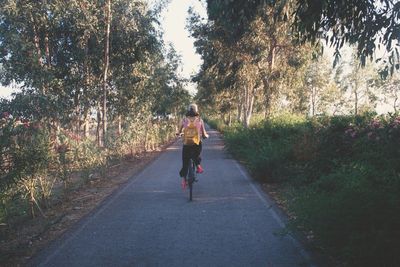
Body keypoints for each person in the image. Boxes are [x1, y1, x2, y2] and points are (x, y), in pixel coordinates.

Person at [177, 103, 209, 189]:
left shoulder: (184, 120)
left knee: (185, 161)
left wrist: (178, 133)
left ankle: (184, 181)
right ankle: (198, 166)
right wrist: (205, 136)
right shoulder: (200, 120)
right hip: (197, 143)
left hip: (187, 143)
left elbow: (179, 131)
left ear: (188, 110)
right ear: (197, 110)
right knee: (197, 154)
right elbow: (204, 132)